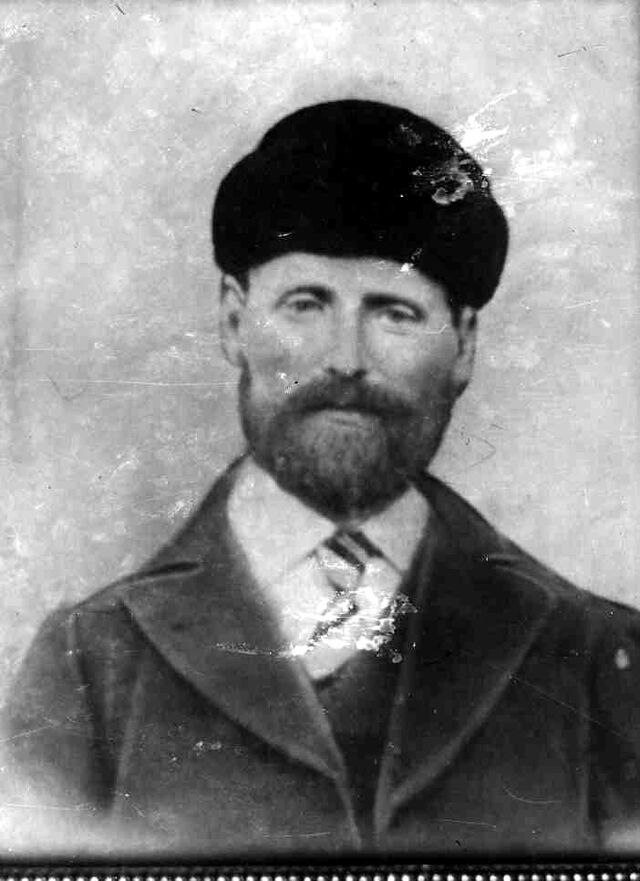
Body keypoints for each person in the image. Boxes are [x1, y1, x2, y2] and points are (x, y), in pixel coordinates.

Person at [5, 99, 640, 858]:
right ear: (234, 321)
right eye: (305, 305)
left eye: (394, 312)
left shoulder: (595, 658)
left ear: (465, 345)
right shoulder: (90, 662)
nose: (346, 359)